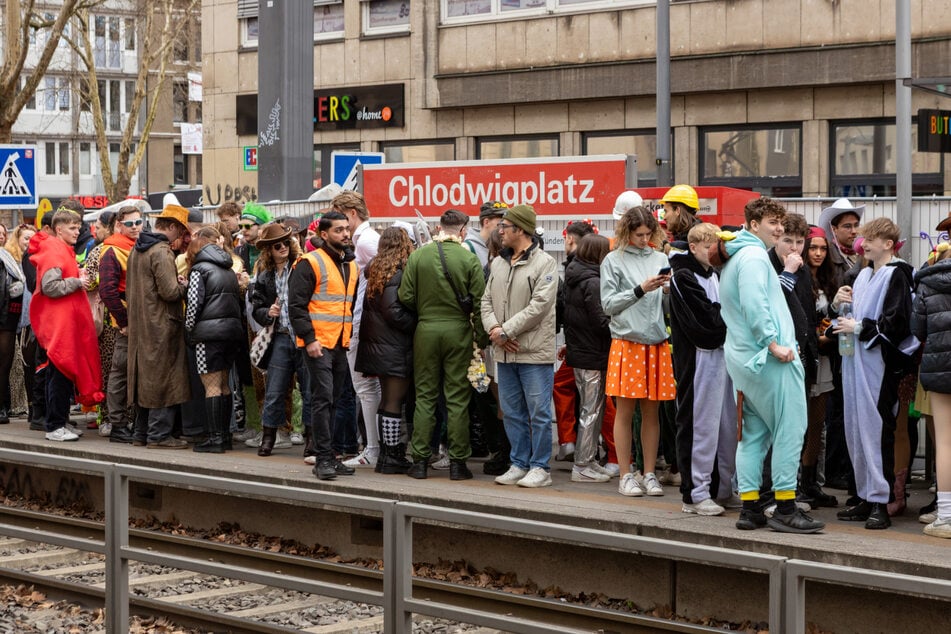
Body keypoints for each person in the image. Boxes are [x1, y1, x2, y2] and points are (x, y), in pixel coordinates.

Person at [719, 197, 823, 533]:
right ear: (752, 225)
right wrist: (773, 343)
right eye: (772, 223)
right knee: (790, 430)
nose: (778, 229)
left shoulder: (739, 256)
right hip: (771, 359)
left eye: (780, 222)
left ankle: (750, 508)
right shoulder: (753, 258)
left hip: (747, 361)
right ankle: (786, 507)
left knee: (753, 435)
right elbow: (755, 303)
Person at [833, 217, 918, 530]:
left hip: (879, 366)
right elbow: (853, 316)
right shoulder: (864, 274)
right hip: (856, 362)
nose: (863, 242)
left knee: (877, 429)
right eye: (864, 238)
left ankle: (880, 502)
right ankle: (866, 497)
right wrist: (839, 309)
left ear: (888, 244)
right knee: (856, 429)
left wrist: (859, 327)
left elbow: (897, 323)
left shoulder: (898, 274)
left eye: (871, 238)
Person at [401, 209, 486, 480]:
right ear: (463, 230)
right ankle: (458, 464)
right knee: (457, 399)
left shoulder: (418, 256)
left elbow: (405, 295)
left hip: (425, 331)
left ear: (439, 227)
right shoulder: (469, 258)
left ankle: (420, 462)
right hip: (459, 332)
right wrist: (481, 339)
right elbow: (480, 301)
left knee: (425, 396)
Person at [600, 206, 675, 498]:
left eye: (648, 234)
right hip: (627, 341)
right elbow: (608, 305)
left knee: (652, 411)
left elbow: (668, 308)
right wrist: (640, 289)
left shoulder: (661, 258)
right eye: (638, 234)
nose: (644, 239)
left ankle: (648, 473)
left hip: (655, 340)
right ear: (626, 232)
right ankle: (625, 473)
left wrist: (668, 292)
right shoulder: (613, 260)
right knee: (625, 411)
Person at [483, 204, 558, 488]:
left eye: (505, 226)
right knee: (512, 411)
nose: (499, 231)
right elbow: (485, 300)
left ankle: (540, 466)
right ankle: (519, 462)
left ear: (521, 230)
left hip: (532, 351)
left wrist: (506, 330)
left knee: (538, 411)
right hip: (505, 351)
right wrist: (495, 329)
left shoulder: (545, 263)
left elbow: (540, 306)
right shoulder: (498, 263)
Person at [669, 222, 737, 516]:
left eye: (715, 246)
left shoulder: (714, 274)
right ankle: (695, 493)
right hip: (698, 360)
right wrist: (732, 318)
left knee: (726, 427)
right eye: (707, 246)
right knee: (699, 426)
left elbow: (717, 316)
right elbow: (706, 323)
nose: (713, 251)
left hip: (721, 357)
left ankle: (721, 489)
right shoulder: (683, 277)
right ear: (693, 247)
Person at [288, 211, 358, 481]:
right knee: (323, 398)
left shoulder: (350, 265)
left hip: (340, 341)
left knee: (337, 399)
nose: (345, 234)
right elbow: (296, 306)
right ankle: (323, 457)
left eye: (346, 229)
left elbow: (347, 305)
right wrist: (309, 339)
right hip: (318, 342)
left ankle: (331, 455)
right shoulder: (310, 262)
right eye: (339, 230)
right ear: (324, 234)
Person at [28, 209, 104, 441]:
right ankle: (55, 426)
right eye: (73, 227)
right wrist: (77, 281)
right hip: (60, 325)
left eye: (78, 227)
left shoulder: (58, 248)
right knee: (60, 375)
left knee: (59, 374)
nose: (78, 231)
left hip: (62, 323)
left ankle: (58, 422)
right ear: (59, 229)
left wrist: (75, 275)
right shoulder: (54, 250)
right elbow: (50, 287)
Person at [126, 204, 191, 449]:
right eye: (182, 231)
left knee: (145, 378)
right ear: (172, 227)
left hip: (141, 325)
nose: (182, 238)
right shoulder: (161, 251)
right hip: (162, 325)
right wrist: (184, 285)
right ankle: (159, 435)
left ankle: (141, 433)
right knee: (164, 378)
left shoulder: (137, 249)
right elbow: (170, 292)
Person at [355, 226, 417, 474]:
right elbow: (393, 311)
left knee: (387, 402)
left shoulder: (376, 269)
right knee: (393, 401)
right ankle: (392, 456)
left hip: (378, 346)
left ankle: (387, 454)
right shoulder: (397, 272)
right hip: (393, 346)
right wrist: (414, 323)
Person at [332, 191, 383, 468]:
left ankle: (373, 448)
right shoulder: (365, 240)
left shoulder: (365, 241)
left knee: (365, 387)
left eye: (341, 219)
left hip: (362, 322)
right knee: (367, 387)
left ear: (351, 213)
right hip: (362, 320)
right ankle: (373, 447)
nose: (340, 228)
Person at [184, 226, 245, 453]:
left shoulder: (199, 269)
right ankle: (225, 436)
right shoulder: (228, 269)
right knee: (224, 385)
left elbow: (194, 305)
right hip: (231, 332)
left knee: (211, 386)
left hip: (208, 335)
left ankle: (214, 438)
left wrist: (189, 330)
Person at [249, 223, 307, 456]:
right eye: (277, 245)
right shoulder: (265, 276)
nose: (282, 247)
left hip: (303, 336)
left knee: (309, 390)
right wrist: (267, 313)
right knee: (274, 390)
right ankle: (269, 438)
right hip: (281, 336)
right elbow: (256, 307)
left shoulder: (302, 268)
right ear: (270, 251)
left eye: (286, 243)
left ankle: (311, 440)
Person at [562, 233, 614, 483]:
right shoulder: (593, 282)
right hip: (593, 353)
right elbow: (600, 321)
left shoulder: (574, 276)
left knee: (589, 408)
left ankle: (589, 459)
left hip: (580, 351)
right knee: (591, 411)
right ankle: (582, 465)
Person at [912, 214, 951, 539]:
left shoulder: (928, 280)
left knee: (945, 442)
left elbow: (917, 330)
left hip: (939, 368)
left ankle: (947, 515)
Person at [98, 205, 143, 445]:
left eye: (138, 222)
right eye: (130, 224)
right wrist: (123, 321)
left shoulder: (137, 246)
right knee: (120, 374)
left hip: (140, 321)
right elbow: (107, 291)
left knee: (132, 373)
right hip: (126, 322)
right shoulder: (112, 251)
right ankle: (118, 424)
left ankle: (131, 421)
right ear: (118, 225)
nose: (135, 227)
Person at [802, 226, 840, 507]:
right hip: (803, 359)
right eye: (813, 247)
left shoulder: (830, 280)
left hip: (825, 358)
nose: (817, 253)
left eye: (823, 249)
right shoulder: (797, 278)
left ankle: (810, 482)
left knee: (817, 424)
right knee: (799, 425)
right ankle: (793, 484)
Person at [553, 219, 596, 462]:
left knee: (593, 400)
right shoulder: (597, 265)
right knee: (596, 401)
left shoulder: (575, 270)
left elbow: (574, 312)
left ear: (570, 239)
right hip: (585, 345)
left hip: (584, 348)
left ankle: (573, 445)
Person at [82, 210, 117, 434]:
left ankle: (114, 416)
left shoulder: (105, 250)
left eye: (99, 225)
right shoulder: (98, 251)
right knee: (107, 369)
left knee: (112, 370)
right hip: (105, 318)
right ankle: (107, 415)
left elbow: (89, 281)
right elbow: (89, 281)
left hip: (112, 317)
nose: (96, 229)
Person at [0, 223, 30, 423]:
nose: (0, 237)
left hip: (7, 318)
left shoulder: (8, 258)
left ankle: (3, 406)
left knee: (5, 364)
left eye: (3, 234)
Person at [818, 198, 864, 282]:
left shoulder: (867, 254)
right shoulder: (827, 258)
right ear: (834, 229)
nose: (854, 231)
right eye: (847, 226)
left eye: (856, 225)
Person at [464, 200, 508, 267]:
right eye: (500, 223)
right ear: (486, 222)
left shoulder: (504, 244)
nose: (503, 226)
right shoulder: (468, 248)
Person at [236, 202, 272, 275]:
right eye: (240, 226)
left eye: (247, 226)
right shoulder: (238, 251)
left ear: (261, 227)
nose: (243, 230)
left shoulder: (272, 249)